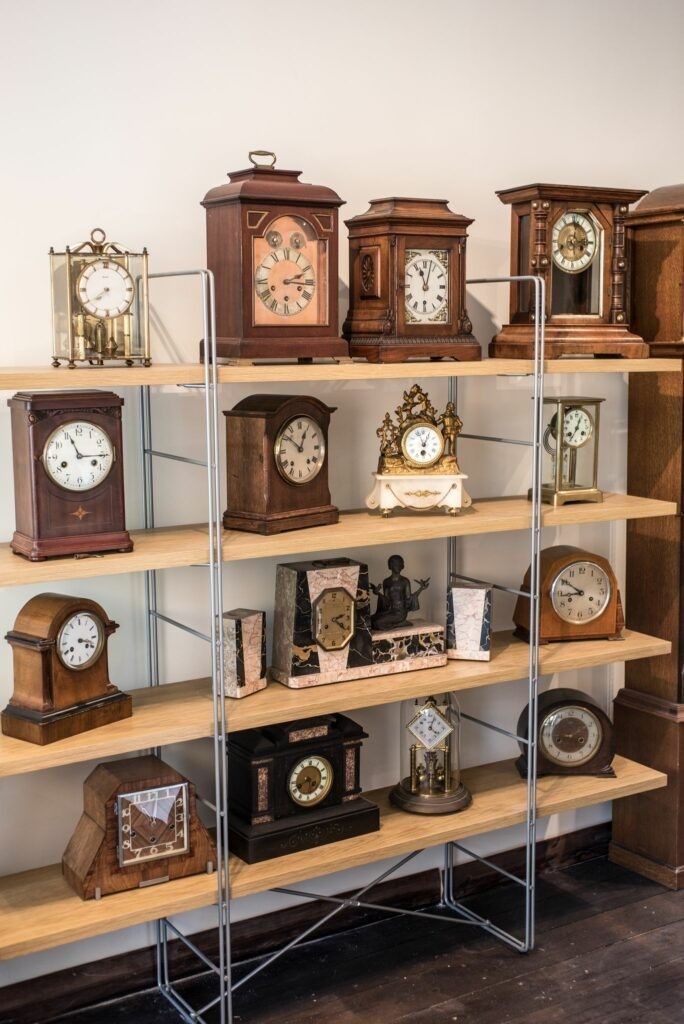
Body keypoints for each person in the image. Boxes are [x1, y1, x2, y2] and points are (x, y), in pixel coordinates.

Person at [370, 554, 430, 630]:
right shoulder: (386, 582)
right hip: (390, 611)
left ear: (402, 566)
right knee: (370, 621)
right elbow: (386, 600)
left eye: (400, 564)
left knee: (378, 623)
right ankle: (397, 623)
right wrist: (377, 593)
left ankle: (398, 623)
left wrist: (421, 588)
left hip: (400, 612)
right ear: (390, 566)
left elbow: (409, 598)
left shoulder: (405, 581)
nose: (398, 566)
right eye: (395, 564)